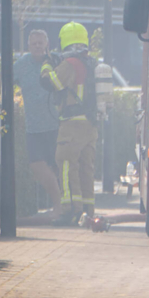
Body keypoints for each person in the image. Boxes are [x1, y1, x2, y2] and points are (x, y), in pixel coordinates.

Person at [0, 29, 62, 219]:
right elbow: (2, 82)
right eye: (34, 44)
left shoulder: (56, 61)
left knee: (60, 167)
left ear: (47, 44)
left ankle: (64, 208)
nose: (38, 46)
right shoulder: (22, 65)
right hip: (34, 127)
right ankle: (59, 206)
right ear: (29, 46)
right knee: (37, 166)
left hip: (57, 125)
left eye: (41, 43)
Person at [40, 22, 104, 226]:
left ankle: (70, 212)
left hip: (72, 126)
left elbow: (51, 83)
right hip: (90, 125)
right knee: (86, 168)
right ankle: (87, 210)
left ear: (64, 40)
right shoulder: (91, 63)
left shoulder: (71, 64)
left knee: (66, 165)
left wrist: (46, 64)